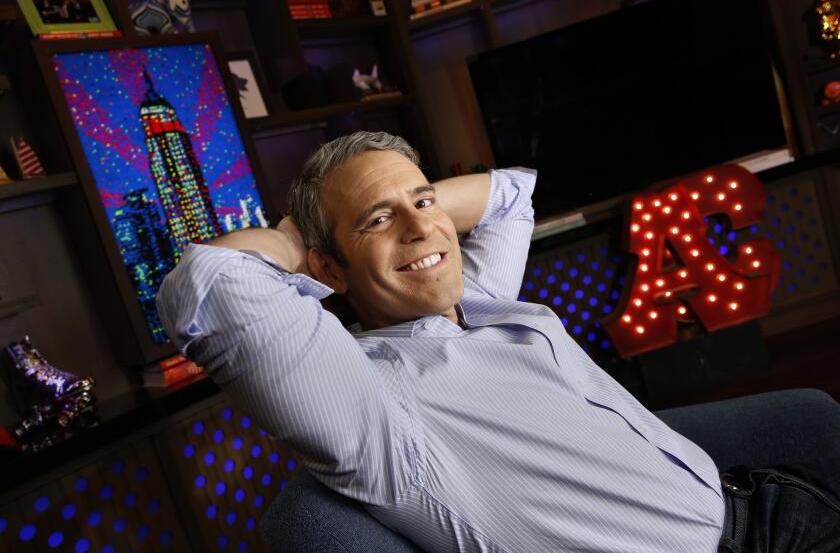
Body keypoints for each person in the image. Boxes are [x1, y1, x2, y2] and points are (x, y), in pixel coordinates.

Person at [157, 131, 840, 552]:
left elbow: (513, 195)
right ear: (328, 268)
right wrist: (297, 239)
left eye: (425, 203)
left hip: (767, 501)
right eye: (378, 221)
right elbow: (209, 286)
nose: (423, 229)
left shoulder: (479, 301)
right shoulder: (370, 406)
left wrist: (401, 200)